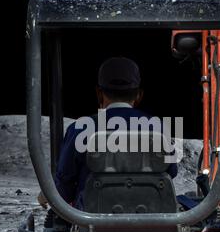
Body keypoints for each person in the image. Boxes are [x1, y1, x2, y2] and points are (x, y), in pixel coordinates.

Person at [39, 57, 178, 215]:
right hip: (149, 217)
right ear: (139, 95)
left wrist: (47, 195)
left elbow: (64, 186)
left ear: (99, 93)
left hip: (91, 222)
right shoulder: (159, 128)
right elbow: (171, 172)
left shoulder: (80, 128)